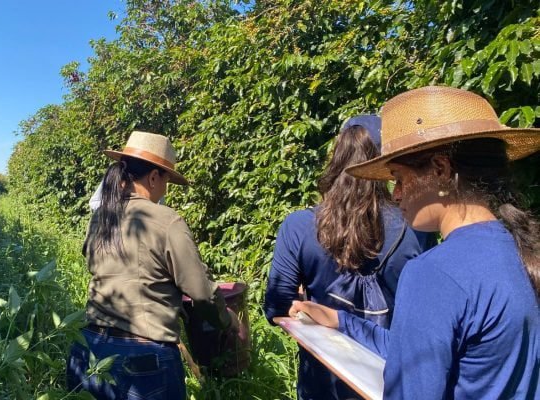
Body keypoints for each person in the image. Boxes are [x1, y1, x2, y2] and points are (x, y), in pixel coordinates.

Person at [290, 86, 540, 399]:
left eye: (399, 177)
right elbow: (415, 348)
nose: (395, 193)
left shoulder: (433, 273)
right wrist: (342, 321)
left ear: (440, 170)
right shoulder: (519, 248)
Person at [263, 115, 434, 399]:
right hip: (392, 380)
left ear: (336, 156)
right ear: (386, 164)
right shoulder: (416, 226)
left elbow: (276, 309)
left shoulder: (299, 227)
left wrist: (302, 299)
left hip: (322, 384)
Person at [66, 131, 237, 400]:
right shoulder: (166, 220)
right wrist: (227, 320)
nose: (166, 189)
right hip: (143, 362)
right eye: (167, 180)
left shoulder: (101, 217)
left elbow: (92, 261)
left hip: (89, 348)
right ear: (155, 177)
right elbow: (200, 291)